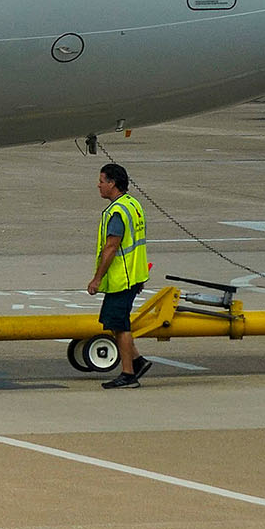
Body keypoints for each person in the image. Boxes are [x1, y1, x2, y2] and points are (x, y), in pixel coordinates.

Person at [87, 162, 152, 388]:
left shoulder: (116, 212)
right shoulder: (132, 205)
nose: (99, 185)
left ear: (112, 183)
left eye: (102, 181)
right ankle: (137, 361)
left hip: (122, 279)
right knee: (115, 322)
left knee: (120, 325)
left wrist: (97, 279)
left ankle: (128, 374)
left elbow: (112, 247)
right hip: (134, 275)